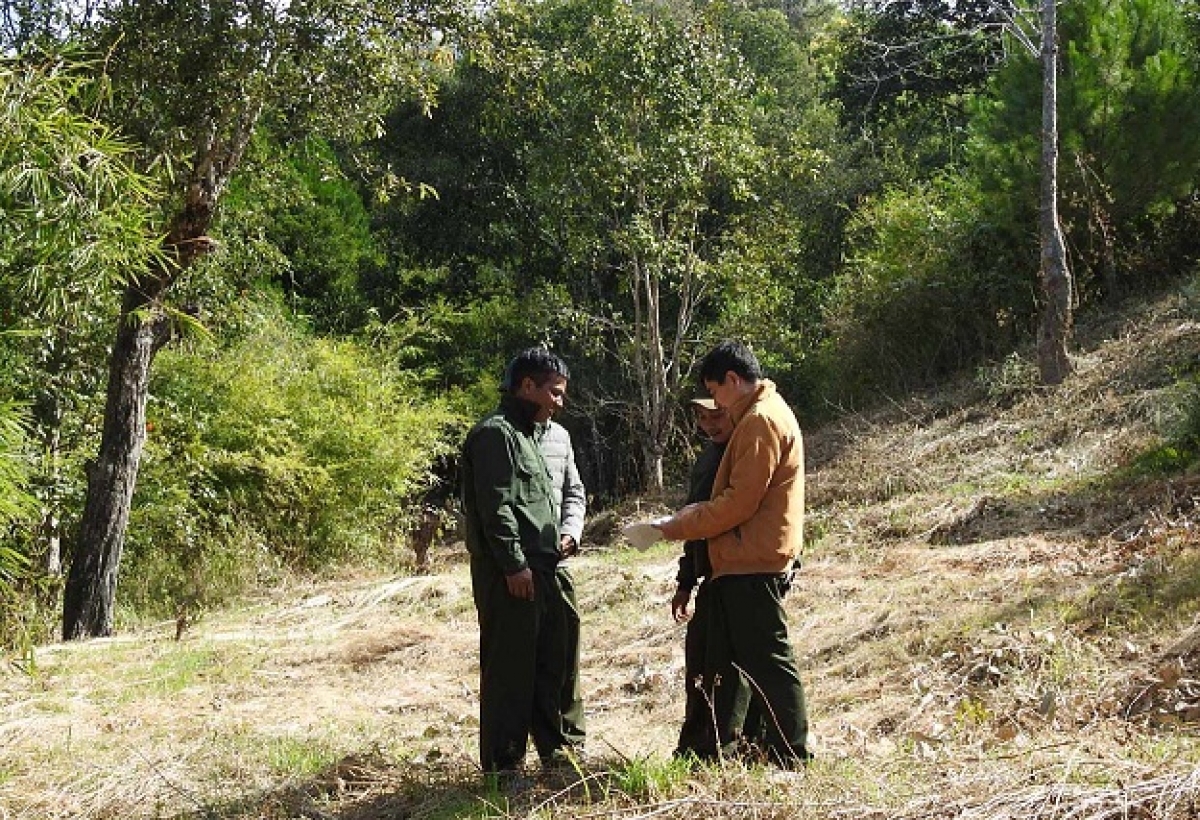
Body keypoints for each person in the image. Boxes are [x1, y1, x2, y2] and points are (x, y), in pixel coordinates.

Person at [650, 341, 811, 767]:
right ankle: (756, 750)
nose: (714, 403)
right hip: (743, 559)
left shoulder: (759, 421)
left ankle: (791, 754)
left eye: (715, 391)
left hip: (753, 561)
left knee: (768, 661)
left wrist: (680, 524)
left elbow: (740, 502)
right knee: (743, 661)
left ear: (734, 381)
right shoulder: (758, 416)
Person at [460, 348, 577, 781]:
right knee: (509, 669)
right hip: (512, 576)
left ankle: (556, 756)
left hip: (541, 571)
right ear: (527, 386)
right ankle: (503, 768)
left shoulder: (531, 434)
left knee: (548, 665)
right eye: (555, 393)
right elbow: (497, 508)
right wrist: (513, 566)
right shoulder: (496, 435)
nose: (559, 402)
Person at [671, 397, 766, 761]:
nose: (710, 424)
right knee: (702, 663)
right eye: (702, 417)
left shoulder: (750, 449)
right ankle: (702, 749)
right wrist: (685, 582)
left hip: (746, 572)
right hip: (712, 574)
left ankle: (741, 747)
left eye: (717, 416)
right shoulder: (708, 459)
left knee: (740, 668)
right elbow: (697, 527)